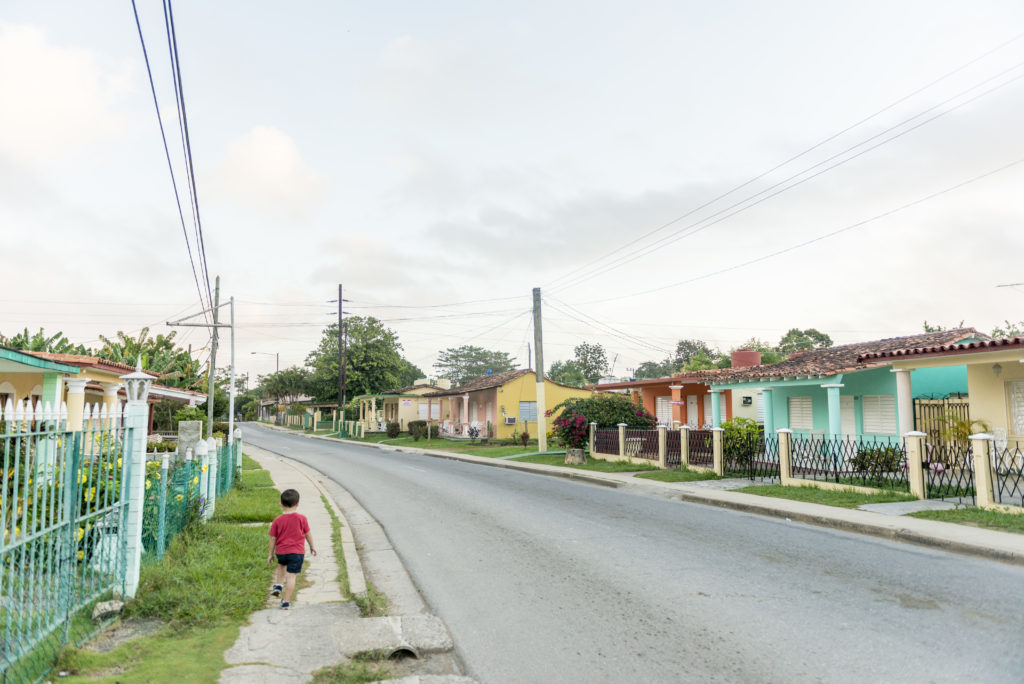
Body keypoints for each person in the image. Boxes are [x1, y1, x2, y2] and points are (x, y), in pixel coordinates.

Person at [267, 488, 317, 609]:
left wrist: (270, 554)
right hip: (296, 553)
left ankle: (278, 585)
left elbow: (273, 538)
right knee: (291, 577)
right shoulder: (302, 518)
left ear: (281, 504)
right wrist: (312, 546)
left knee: (281, 567)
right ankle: (286, 602)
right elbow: (308, 534)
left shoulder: (277, 520)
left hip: (282, 552)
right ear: (297, 504)